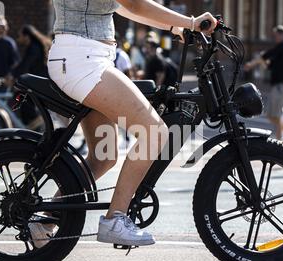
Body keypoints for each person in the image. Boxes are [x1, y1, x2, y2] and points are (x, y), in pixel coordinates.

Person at [32, 0, 217, 247]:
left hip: (82, 58)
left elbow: (126, 7)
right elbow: (137, 5)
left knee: (103, 155)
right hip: (84, 61)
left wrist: (176, 27)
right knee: (155, 132)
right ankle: (115, 219)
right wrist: (190, 22)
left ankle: (45, 223)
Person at [244, 26, 283, 144]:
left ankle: (280, 143)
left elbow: (266, 55)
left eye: (276, 35)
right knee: (272, 115)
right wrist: (259, 61)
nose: (275, 38)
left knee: (276, 115)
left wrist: (251, 64)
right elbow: (270, 65)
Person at [13, 25, 52, 126]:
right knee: (24, 99)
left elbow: (25, 65)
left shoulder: (34, 48)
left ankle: (35, 123)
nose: (18, 39)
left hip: (39, 81)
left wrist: (12, 76)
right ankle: (33, 124)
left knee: (23, 99)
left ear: (26, 36)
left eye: (19, 36)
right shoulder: (34, 46)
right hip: (39, 80)